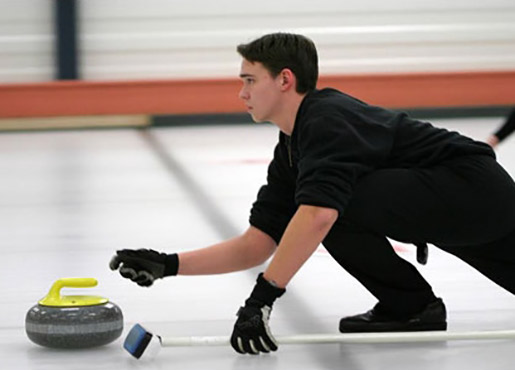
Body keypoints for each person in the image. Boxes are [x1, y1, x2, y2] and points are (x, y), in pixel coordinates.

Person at [110, 32, 515, 355]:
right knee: (322, 204)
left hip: (471, 189)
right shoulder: (290, 150)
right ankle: (411, 306)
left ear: (284, 79)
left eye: (250, 80)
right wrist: (168, 264)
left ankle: (411, 306)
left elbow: (319, 215)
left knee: (327, 206)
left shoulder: (326, 119)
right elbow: (258, 243)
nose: (242, 93)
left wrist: (261, 300)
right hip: (465, 202)